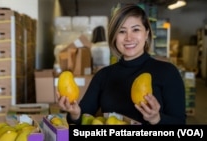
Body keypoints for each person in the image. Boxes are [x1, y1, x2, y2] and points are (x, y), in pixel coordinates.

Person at [57, 3, 186, 125]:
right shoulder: (103, 75)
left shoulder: (167, 72)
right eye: (122, 31)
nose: (128, 38)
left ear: (146, 33)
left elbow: (180, 124)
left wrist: (157, 119)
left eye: (135, 30)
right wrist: (74, 113)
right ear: (114, 37)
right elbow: (82, 117)